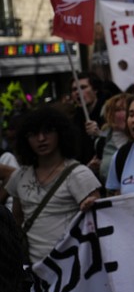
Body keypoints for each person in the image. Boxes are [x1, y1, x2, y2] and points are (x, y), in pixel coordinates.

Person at [7, 107, 101, 263]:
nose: (41, 138)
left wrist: (90, 205)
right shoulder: (20, 176)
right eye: (33, 134)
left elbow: (97, 221)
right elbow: (16, 221)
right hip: (35, 270)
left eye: (48, 131)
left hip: (74, 266)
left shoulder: (79, 174)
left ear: (61, 134)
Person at [88, 93, 130, 183]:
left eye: (129, 110)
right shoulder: (101, 142)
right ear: (110, 114)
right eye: (120, 110)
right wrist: (93, 169)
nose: (126, 114)